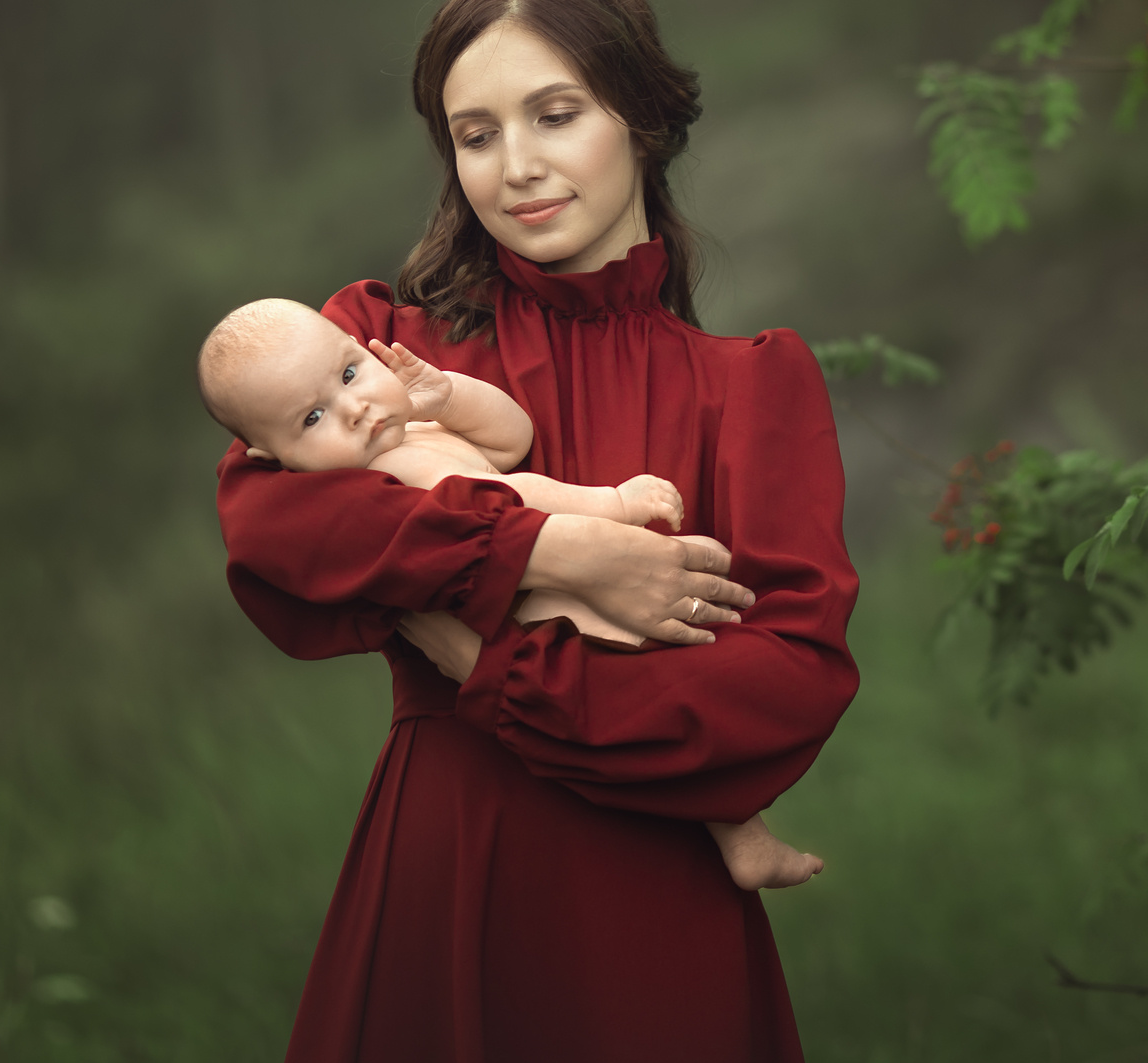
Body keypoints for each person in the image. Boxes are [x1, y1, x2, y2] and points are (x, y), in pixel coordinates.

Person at [217, 0, 858, 1063]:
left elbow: (786, 683)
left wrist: (484, 659)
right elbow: (275, 519)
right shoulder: (383, 348)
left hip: (653, 894)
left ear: (645, 116)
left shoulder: (751, 384)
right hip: (447, 872)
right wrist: (551, 554)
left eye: (554, 114)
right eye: (474, 132)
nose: (514, 164)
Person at [198, 298, 826, 891]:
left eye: (350, 373)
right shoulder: (384, 476)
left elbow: (510, 440)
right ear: (269, 456)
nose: (354, 408)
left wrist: (448, 395)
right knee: (663, 692)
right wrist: (611, 506)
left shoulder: (409, 433)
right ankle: (738, 829)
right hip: (543, 614)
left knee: (667, 694)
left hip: (546, 617)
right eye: (312, 419)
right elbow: (515, 503)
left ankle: (739, 830)